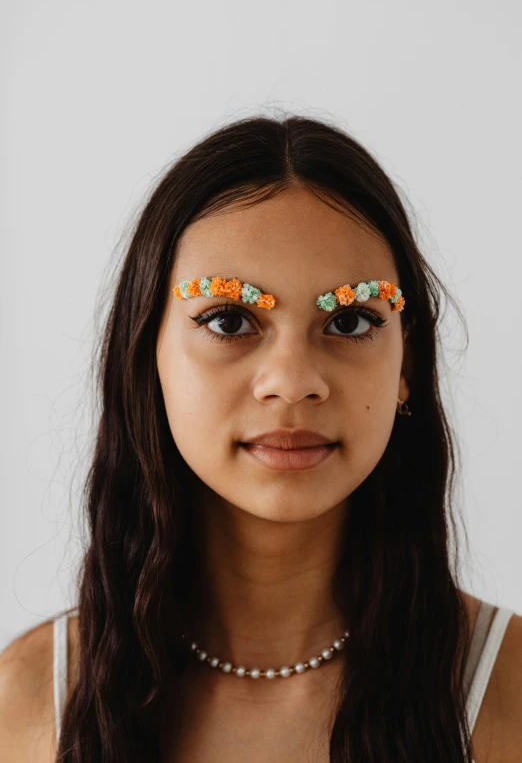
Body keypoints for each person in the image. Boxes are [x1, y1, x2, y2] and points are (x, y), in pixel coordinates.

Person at [1, 115, 521, 762]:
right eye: (228, 318)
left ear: (406, 367)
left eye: (352, 318)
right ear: (146, 355)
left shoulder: (507, 690)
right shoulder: (29, 702)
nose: (292, 383)